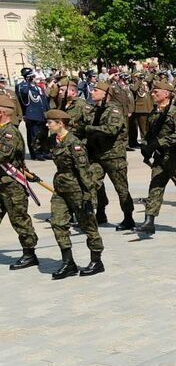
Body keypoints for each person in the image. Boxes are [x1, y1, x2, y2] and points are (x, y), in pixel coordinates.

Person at [45, 109, 105, 279]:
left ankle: (96, 261)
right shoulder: (55, 140)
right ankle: (68, 262)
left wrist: (89, 196)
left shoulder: (74, 144)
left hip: (77, 190)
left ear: (60, 123)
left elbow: (84, 172)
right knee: (57, 223)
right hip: (61, 190)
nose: (47, 125)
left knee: (88, 225)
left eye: (50, 123)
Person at [136, 80, 176, 238]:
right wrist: (146, 147)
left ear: (166, 94)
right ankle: (149, 221)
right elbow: (149, 135)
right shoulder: (154, 113)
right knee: (155, 188)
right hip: (160, 159)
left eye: (156, 92)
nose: (153, 94)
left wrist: (160, 142)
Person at [82, 79, 134, 230]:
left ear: (106, 94)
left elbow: (111, 130)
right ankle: (99, 213)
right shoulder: (94, 110)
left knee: (121, 188)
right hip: (97, 155)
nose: (92, 92)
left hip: (114, 156)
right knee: (92, 183)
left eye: (96, 90)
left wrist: (89, 129)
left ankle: (128, 218)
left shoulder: (114, 110)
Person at [0, 94, 38, 269]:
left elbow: (3, 155)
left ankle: (29, 253)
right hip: (2, 182)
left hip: (11, 184)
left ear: (1, 112)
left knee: (19, 218)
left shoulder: (9, 133)